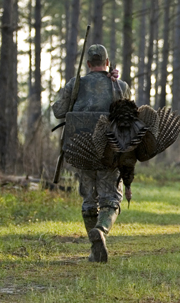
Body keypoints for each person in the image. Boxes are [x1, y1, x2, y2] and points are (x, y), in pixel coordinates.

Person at [52, 44, 130, 263]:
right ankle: (102, 230)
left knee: (88, 200)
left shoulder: (75, 85)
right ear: (107, 63)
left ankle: (95, 250)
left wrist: (74, 90)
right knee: (111, 199)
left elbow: (59, 111)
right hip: (110, 152)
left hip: (81, 149)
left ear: (88, 64)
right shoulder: (121, 86)